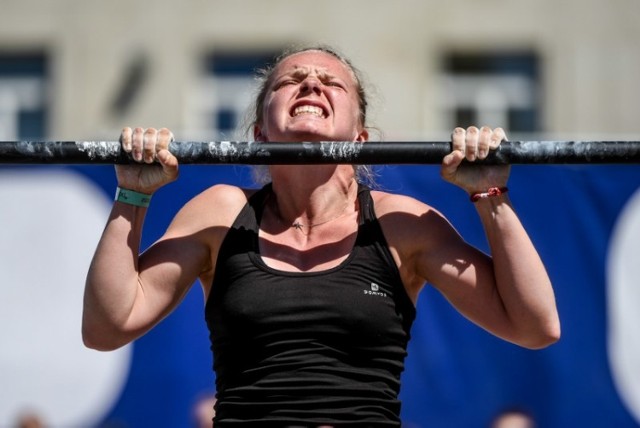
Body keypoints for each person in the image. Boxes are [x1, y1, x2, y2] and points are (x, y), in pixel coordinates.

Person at [82, 45, 560, 426]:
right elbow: (107, 327)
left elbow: (535, 326)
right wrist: (132, 195)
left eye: (332, 83)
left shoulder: (402, 225)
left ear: (360, 137)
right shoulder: (220, 213)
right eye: (290, 80)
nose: (310, 82)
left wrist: (491, 195)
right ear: (259, 133)